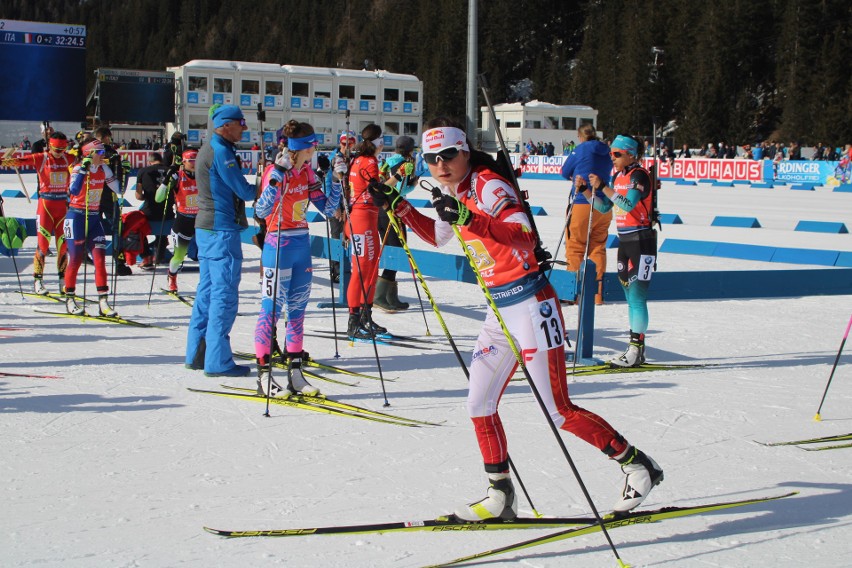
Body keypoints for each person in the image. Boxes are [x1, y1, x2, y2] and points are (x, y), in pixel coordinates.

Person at [368, 118, 663, 520]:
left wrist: (468, 219)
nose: (440, 165)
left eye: (448, 155)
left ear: (465, 151)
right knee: (478, 403)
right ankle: (500, 494)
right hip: (498, 310)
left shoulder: (489, 184)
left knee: (558, 410)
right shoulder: (451, 188)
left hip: (530, 304)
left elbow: (522, 233)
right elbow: (438, 236)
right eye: (431, 158)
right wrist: (399, 206)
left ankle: (637, 465)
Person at [253, 120, 341, 397]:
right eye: (313, 144)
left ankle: (295, 375)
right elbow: (261, 209)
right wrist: (278, 175)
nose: (316, 149)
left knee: (298, 313)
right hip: (277, 247)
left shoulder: (307, 173)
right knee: (271, 312)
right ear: (304, 147)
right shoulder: (276, 171)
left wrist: (337, 181)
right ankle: (264, 377)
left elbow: (329, 209)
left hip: (301, 245)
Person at [185, 104, 258, 377]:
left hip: (207, 229)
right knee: (223, 295)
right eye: (240, 123)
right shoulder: (221, 151)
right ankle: (217, 361)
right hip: (221, 230)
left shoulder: (211, 147)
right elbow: (244, 190)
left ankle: (197, 353)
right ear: (225, 124)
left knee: (207, 292)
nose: (244, 128)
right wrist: (269, 183)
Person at [580, 135, 658, 368]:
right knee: (630, 297)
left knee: (637, 298)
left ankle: (636, 349)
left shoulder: (638, 175)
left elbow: (627, 204)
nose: (611, 158)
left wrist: (603, 186)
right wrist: (586, 191)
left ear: (631, 154)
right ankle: (636, 350)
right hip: (625, 241)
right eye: (610, 153)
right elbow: (605, 207)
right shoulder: (619, 175)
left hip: (641, 240)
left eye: (616, 154)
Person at [1, 131, 73, 295]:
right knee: (43, 245)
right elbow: (18, 161)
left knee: (63, 246)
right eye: (56, 149)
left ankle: (62, 280)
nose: (59, 153)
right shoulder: (42, 157)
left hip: (63, 206)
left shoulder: (68, 158)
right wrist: (4, 161)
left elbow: (88, 162)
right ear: (50, 146)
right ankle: (38, 280)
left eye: (62, 149)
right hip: (45, 205)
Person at [64, 139, 123, 316]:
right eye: (98, 152)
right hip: (76, 217)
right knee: (75, 259)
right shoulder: (77, 168)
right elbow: (73, 190)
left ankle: (103, 302)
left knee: (100, 259)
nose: (102, 155)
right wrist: (83, 170)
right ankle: (70, 299)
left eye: (102, 151)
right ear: (89, 153)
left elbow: (118, 189)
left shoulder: (103, 169)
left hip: (94, 217)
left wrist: (121, 171)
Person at [559, 124, 613, 305]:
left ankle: (572, 292)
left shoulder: (580, 149)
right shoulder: (607, 151)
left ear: (580, 136)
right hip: (604, 204)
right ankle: (597, 294)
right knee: (598, 247)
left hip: (582, 202)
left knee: (575, 246)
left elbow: (564, 172)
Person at [344, 123, 388, 340]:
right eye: (383, 139)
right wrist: (397, 177)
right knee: (362, 269)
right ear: (377, 142)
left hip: (364, 217)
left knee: (371, 268)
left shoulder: (358, 159)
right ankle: (354, 319)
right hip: (363, 218)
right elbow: (377, 189)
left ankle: (364, 315)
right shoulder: (369, 161)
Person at [374, 134, 419, 312]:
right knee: (397, 252)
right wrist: (414, 184)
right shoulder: (404, 164)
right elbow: (400, 188)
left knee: (393, 250)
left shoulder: (386, 161)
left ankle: (390, 296)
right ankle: (380, 296)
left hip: (380, 210)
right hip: (392, 209)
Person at [156, 148, 199, 293]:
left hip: (201, 221)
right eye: (190, 161)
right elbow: (159, 198)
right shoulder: (178, 177)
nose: (193, 164)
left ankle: (208, 285)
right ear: (183, 162)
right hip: (183, 220)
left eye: (195, 160)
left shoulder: (203, 176)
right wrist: (166, 181)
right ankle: (172, 276)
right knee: (179, 256)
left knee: (207, 255)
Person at [93, 126, 133, 276]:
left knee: (91, 228)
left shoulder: (87, 150)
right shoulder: (112, 153)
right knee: (117, 228)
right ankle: (119, 262)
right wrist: (125, 170)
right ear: (105, 137)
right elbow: (119, 178)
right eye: (108, 137)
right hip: (109, 195)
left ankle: (89, 256)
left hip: (92, 195)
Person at [323, 130, 357, 284]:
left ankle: (345, 267)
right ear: (340, 143)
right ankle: (335, 269)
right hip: (335, 204)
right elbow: (328, 184)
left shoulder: (354, 159)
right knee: (337, 236)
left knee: (348, 237)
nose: (346, 147)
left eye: (350, 144)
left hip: (349, 204)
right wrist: (335, 206)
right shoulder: (334, 158)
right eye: (344, 143)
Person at [135, 152, 173, 267]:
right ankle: (159, 255)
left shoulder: (143, 171)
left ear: (149, 162)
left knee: (136, 227)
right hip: (168, 214)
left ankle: (146, 256)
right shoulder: (170, 171)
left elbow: (138, 195)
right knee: (162, 230)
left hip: (149, 212)